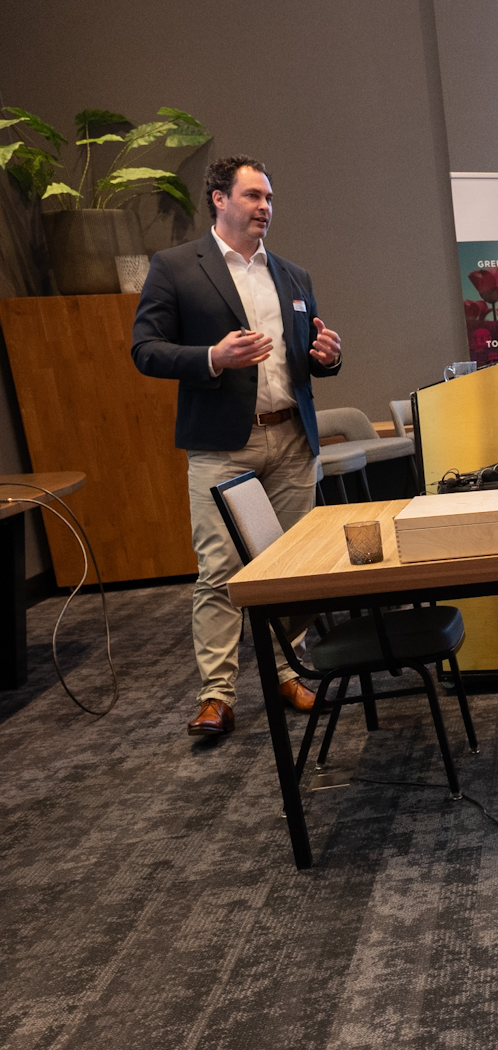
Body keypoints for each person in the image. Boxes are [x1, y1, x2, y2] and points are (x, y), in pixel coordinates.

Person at [131, 155, 344, 738]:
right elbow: (145, 349)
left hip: (292, 438)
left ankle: (289, 672)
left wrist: (328, 357)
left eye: (269, 197)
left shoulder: (293, 275)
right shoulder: (176, 267)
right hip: (222, 445)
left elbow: (308, 354)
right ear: (219, 199)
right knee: (220, 569)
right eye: (252, 195)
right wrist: (212, 358)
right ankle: (217, 695)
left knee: (292, 568)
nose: (264, 207)